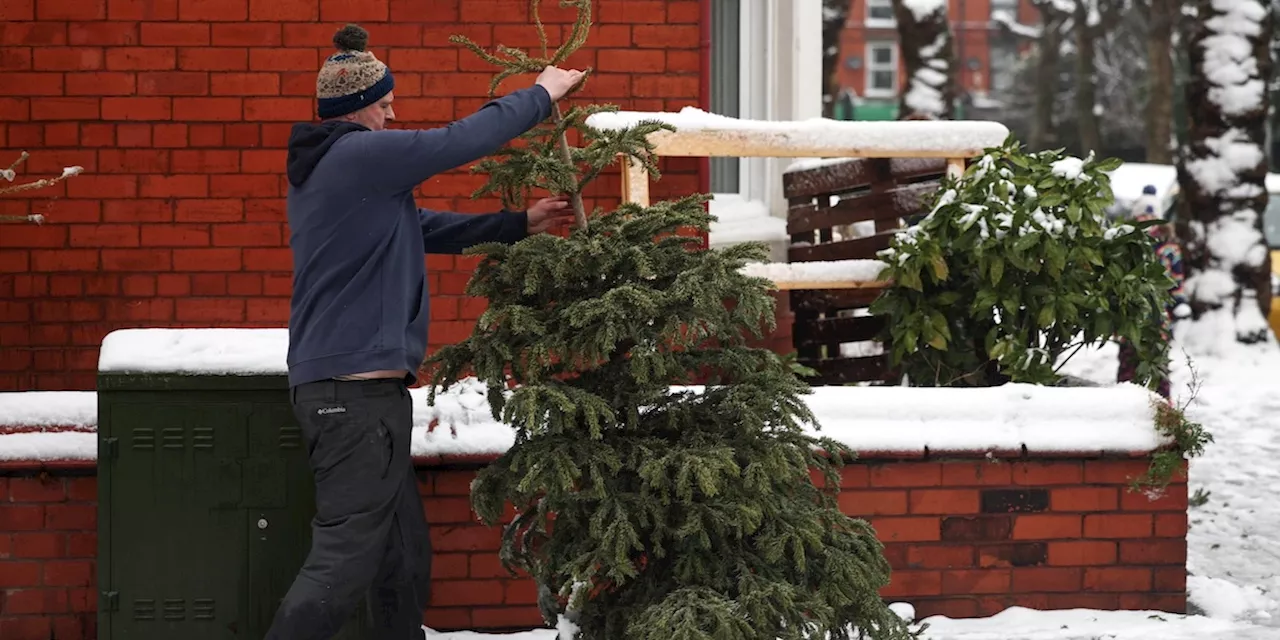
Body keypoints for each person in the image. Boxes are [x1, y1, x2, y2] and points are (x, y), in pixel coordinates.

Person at [269, 23, 582, 640]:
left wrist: (518, 222)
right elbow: (455, 141)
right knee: (348, 556)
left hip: (362, 393)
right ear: (357, 108)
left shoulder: (344, 172)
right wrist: (539, 94)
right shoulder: (356, 153)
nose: (393, 114)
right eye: (385, 104)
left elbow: (425, 227)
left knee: (399, 557)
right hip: (349, 394)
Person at [1116, 185, 1186, 400]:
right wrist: (1178, 305)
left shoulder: (1125, 242)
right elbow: (1176, 283)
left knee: (1128, 365)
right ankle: (1163, 410)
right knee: (1158, 367)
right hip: (1159, 319)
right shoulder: (1169, 247)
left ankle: (1124, 404)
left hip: (1130, 316)